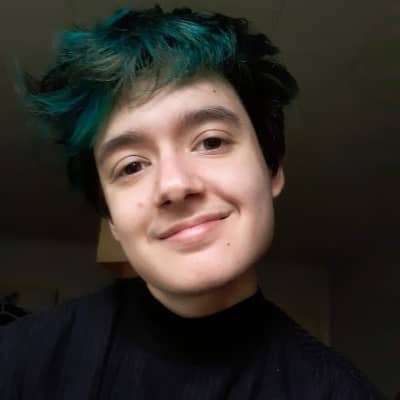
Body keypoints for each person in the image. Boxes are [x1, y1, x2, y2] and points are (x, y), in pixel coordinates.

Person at [0, 6, 385, 399]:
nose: (175, 185)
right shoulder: (17, 360)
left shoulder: (339, 392)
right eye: (131, 166)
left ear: (272, 169)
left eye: (211, 141)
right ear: (111, 217)